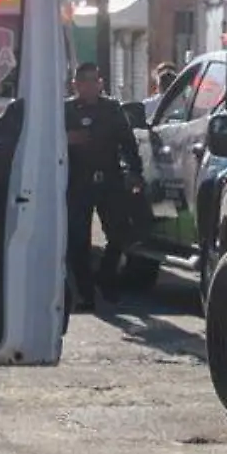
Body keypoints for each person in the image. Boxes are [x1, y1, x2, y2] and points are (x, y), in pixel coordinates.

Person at [65, 61, 144, 311]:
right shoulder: (65, 110)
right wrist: (66, 139)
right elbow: (47, 142)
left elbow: (128, 143)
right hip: (77, 180)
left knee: (119, 233)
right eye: (84, 81)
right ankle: (86, 294)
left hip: (108, 178)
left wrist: (134, 171)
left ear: (100, 84)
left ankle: (106, 277)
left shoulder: (111, 109)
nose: (89, 86)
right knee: (78, 240)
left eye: (94, 81)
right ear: (75, 84)